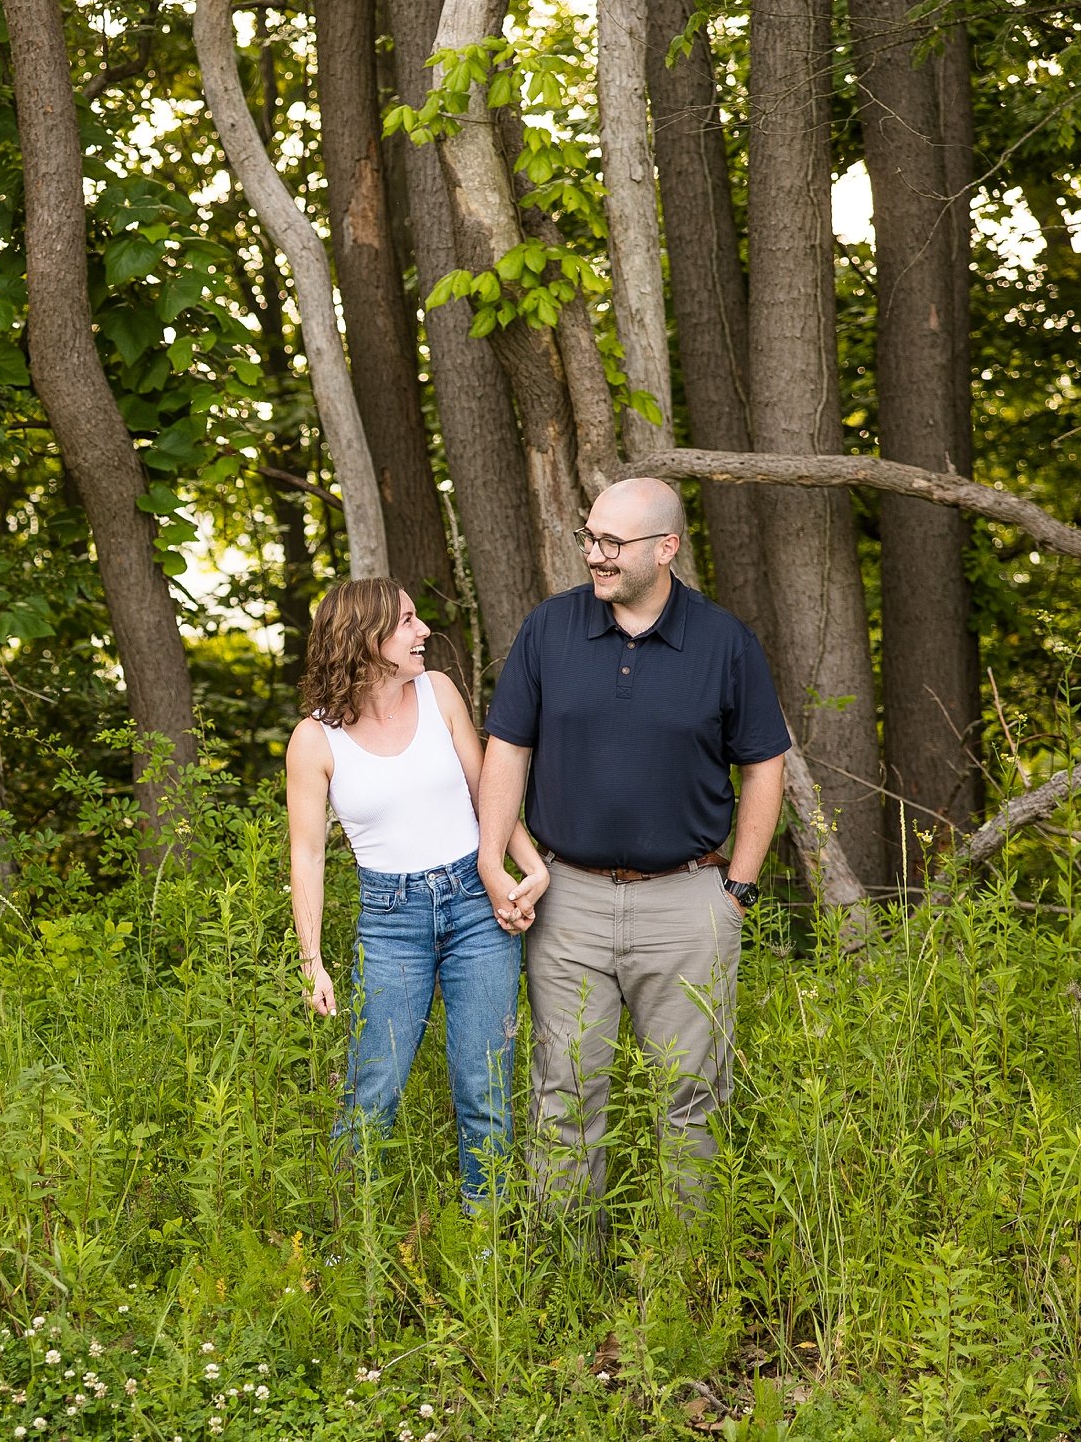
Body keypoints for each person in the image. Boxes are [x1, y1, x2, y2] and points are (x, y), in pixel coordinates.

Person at [474, 477, 788, 1216]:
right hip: (567, 901)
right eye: (589, 538)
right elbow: (507, 747)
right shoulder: (550, 629)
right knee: (564, 1094)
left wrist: (737, 890)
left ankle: (686, 1288)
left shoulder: (724, 642)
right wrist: (495, 856)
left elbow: (764, 765)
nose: (594, 555)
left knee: (692, 1099)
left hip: (687, 902)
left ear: (666, 547)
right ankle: (565, 1286)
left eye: (611, 543)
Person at [286, 579, 550, 1204]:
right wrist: (311, 960)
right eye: (406, 621)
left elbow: (491, 789)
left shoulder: (438, 693)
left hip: (476, 906)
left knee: (485, 1086)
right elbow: (308, 855)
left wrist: (528, 867)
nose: (423, 631)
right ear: (364, 637)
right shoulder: (315, 740)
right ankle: (356, 1248)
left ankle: (485, 1246)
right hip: (390, 919)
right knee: (374, 1090)